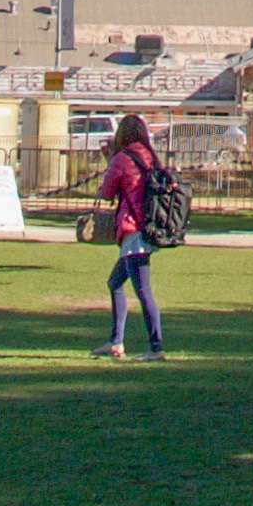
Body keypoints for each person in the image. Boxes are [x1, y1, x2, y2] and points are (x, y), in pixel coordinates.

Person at [95, 112, 166, 361]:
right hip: (148, 227)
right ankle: (116, 342)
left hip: (132, 230)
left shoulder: (123, 158)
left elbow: (107, 191)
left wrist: (110, 161)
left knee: (144, 291)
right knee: (115, 282)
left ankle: (156, 347)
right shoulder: (150, 157)